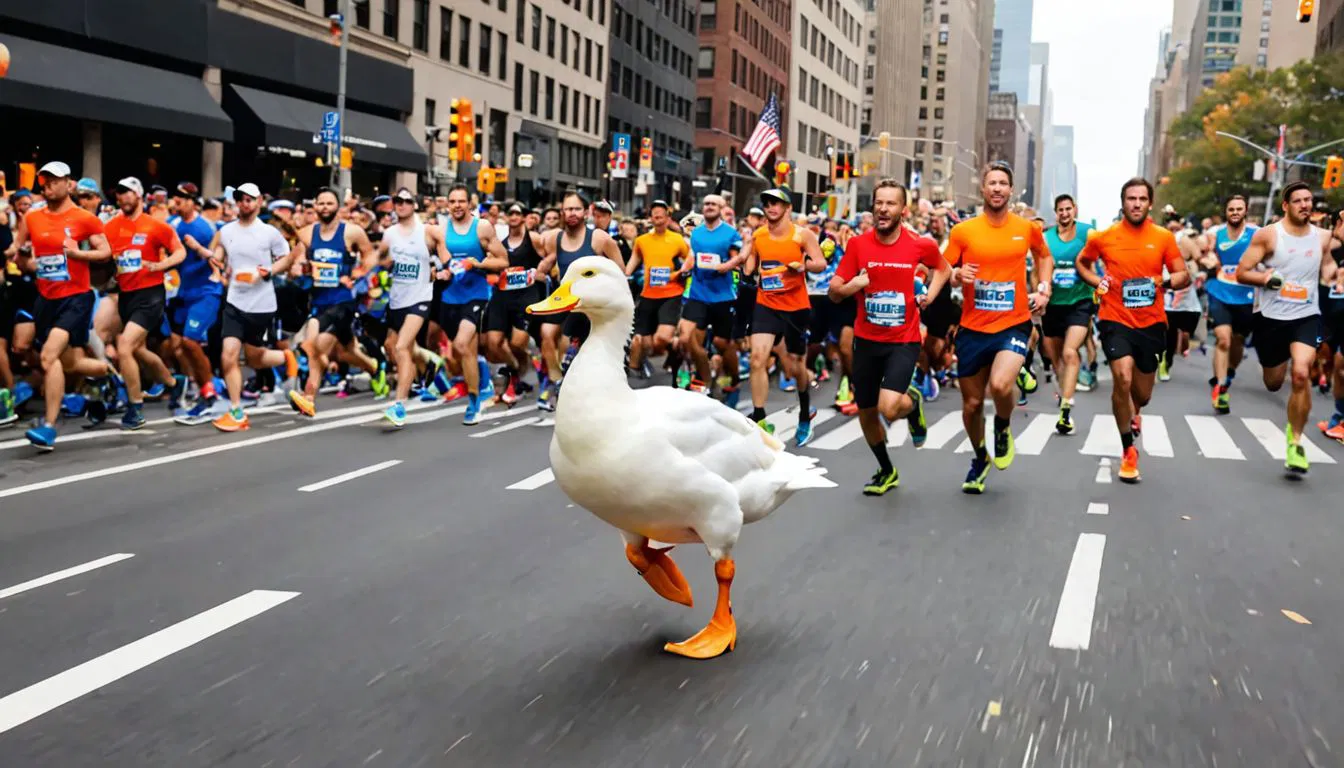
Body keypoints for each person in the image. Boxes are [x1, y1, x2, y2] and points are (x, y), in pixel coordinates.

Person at [829, 180, 950, 495]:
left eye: (890, 204)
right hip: (866, 342)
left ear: (903, 210)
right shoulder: (857, 245)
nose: (883, 209)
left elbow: (944, 269)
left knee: (889, 407)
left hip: (903, 341)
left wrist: (930, 297)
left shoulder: (919, 244)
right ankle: (886, 470)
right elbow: (834, 292)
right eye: (878, 203)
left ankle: (913, 405)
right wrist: (856, 284)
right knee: (867, 413)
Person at [942, 162, 1052, 493]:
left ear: (1011, 190)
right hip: (973, 327)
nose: (997, 188)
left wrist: (1044, 287)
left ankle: (1002, 427)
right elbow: (943, 267)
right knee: (972, 405)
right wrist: (956, 275)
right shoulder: (964, 231)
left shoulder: (1026, 228)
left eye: (1003, 183)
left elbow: (1043, 257)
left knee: (1002, 385)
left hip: (1013, 323)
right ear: (983, 189)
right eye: (992, 183)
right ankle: (979, 458)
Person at [1075, 177, 1189, 484]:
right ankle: (1128, 450)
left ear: (1150, 203)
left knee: (1143, 394)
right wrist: (1095, 281)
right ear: (1122, 202)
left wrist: (1163, 282)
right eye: (1131, 198)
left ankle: (1133, 413)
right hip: (1115, 318)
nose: (1136, 204)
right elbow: (1082, 263)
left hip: (1151, 323)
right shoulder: (1104, 237)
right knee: (1122, 377)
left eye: (1142, 199)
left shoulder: (1163, 237)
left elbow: (1183, 274)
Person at [1234, 182, 1340, 474]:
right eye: (1298, 201)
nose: (1305, 205)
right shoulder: (1269, 235)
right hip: (1270, 318)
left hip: (1306, 315)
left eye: (1308, 200)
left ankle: (1295, 441)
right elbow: (1242, 272)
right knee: (1273, 382)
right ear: (1285, 205)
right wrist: (1264, 279)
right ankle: (1292, 422)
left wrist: (1335, 275)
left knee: (1302, 373)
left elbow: (1328, 268)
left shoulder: (1322, 237)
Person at [12, 162, 116, 450]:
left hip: (76, 298)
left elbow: (106, 251)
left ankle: (49, 426)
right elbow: (22, 257)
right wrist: (20, 256)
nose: (46, 186)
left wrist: (78, 256)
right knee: (69, 363)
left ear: (68, 183)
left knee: (48, 357)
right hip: (46, 298)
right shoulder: (31, 218)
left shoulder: (83, 218)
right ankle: (109, 377)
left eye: (53, 181)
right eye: (43, 181)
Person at [206, 183, 300, 432]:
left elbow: (286, 258)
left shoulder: (269, 232)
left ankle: (287, 357)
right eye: (241, 199)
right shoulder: (226, 231)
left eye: (250, 199)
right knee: (229, 354)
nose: (245, 203)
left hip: (262, 305)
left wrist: (269, 271)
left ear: (259, 202)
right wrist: (213, 260)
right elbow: (218, 254)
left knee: (256, 359)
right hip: (235, 302)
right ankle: (237, 411)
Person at [740, 188, 827, 446]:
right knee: (757, 358)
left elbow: (820, 263)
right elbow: (751, 267)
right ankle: (759, 419)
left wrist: (803, 266)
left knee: (795, 367)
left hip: (795, 307)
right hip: (765, 303)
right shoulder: (758, 235)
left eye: (776, 203)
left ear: (788, 208)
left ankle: (804, 410)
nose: (770, 207)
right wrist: (744, 259)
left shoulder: (803, 235)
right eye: (767, 203)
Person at [104, 177, 186, 429]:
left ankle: (135, 408)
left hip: (151, 294)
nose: (123, 197)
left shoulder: (154, 225)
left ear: (138, 195)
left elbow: (180, 251)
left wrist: (161, 265)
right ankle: (174, 383)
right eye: (119, 193)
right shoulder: (111, 226)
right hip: (125, 294)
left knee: (124, 346)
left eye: (127, 192)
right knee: (137, 349)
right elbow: (102, 255)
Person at [1039, 194, 1096, 434]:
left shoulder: (1087, 233)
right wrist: (1041, 292)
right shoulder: (1046, 238)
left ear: (1075, 210)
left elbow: (1105, 252)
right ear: (1056, 213)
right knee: (1057, 360)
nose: (1064, 213)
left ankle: (1065, 408)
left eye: (1068, 209)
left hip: (1080, 302)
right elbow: (1040, 269)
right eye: (1060, 210)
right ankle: (1064, 388)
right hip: (1053, 304)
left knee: (1070, 352)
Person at [1198, 195, 1258, 414]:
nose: (1235, 212)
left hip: (1246, 295)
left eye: (1239, 209)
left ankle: (1228, 373)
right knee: (1223, 340)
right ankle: (1220, 388)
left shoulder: (1257, 233)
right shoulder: (1214, 234)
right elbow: (1199, 253)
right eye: (1231, 209)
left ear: (1246, 211)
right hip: (1219, 291)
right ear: (1226, 212)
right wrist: (1206, 259)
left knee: (1238, 341)